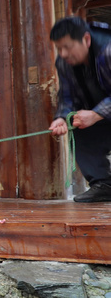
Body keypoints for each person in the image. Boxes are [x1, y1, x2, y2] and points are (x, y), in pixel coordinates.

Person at [49, 17, 111, 202]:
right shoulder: (63, 63)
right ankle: (103, 185)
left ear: (86, 39)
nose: (63, 53)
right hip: (99, 115)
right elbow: (67, 96)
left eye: (67, 47)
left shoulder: (109, 50)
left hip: (102, 112)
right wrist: (61, 118)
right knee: (77, 123)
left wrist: (96, 114)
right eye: (59, 48)